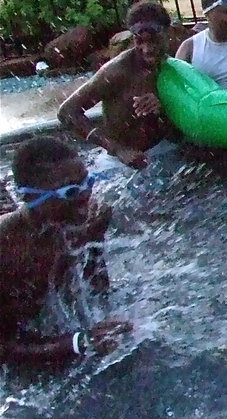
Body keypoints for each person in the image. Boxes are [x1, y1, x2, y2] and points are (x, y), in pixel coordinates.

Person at [0, 137, 131, 365]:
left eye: (88, 182)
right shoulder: (8, 248)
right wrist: (78, 343)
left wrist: (107, 324)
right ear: (30, 197)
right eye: (70, 191)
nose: (84, 197)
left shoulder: (94, 218)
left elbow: (96, 286)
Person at [58, 0, 176, 174]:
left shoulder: (174, 65)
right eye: (139, 42)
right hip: (117, 163)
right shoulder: (117, 71)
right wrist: (118, 149)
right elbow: (67, 112)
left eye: (153, 41)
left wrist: (162, 106)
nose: (147, 49)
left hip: (163, 150)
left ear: (168, 32)